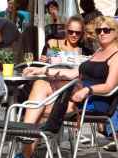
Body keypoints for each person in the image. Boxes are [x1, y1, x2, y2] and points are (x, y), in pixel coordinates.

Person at [20, 16, 118, 158]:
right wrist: (42, 70)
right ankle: (26, 138)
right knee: (40, 84)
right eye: (99, 30)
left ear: (116, 32)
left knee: (41, 108)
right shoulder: (98, 52)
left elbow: (109, 86)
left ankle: (25, 147)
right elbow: (74, 73)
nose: (102, 33)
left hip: (93, 101)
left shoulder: (116, 55)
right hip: (76, 95)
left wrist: (88, 90)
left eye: (106, 30)